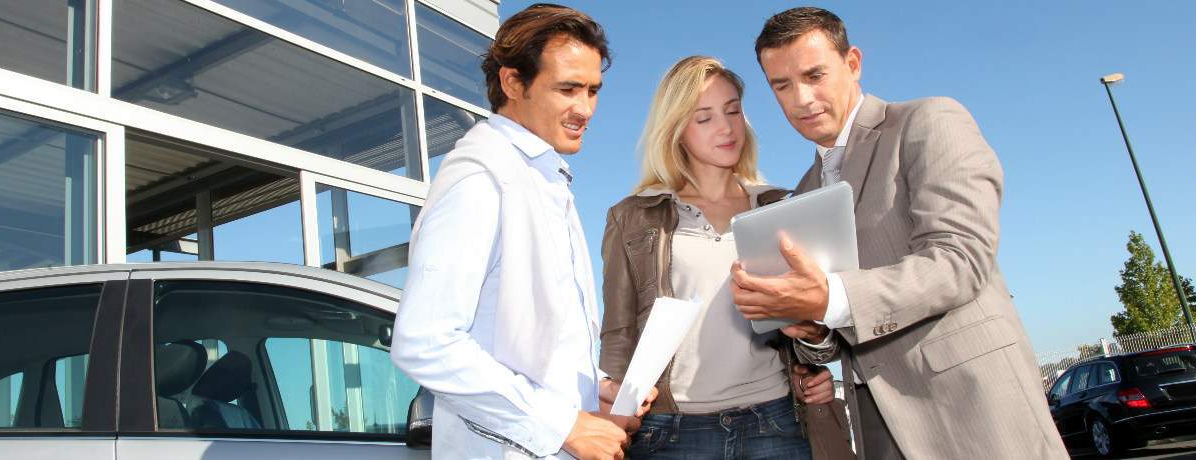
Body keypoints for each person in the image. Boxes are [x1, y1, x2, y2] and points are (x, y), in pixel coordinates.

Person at [729, 7, 1069, 459]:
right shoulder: (804, 193)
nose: (801, 99)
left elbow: (960, 260)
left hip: (973, 409)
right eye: (782, 86)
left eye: (815, 75)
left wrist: (828, 298)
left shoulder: (928, 121)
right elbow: (837, 332)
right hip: (874, 421)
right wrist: (809, 328)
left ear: (853, 63)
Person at [390, 4, 652, 459]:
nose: (584, 108)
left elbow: (530, 345)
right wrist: (563, 423)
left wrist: (593, 391)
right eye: (567, 89)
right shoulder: (481, 177)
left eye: (592, 90)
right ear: (513, 82)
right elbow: (426, 342)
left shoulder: (543, 177)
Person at [599, 56, 852, 460]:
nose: (726, 127)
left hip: (775, 421)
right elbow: (618, 333)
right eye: (704, 117)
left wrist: (815, 356)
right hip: (670, 432)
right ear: (676, 129)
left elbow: (821, 327)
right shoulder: (632, 216)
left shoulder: (783, 206)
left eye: (733, 110)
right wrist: (613, 410)